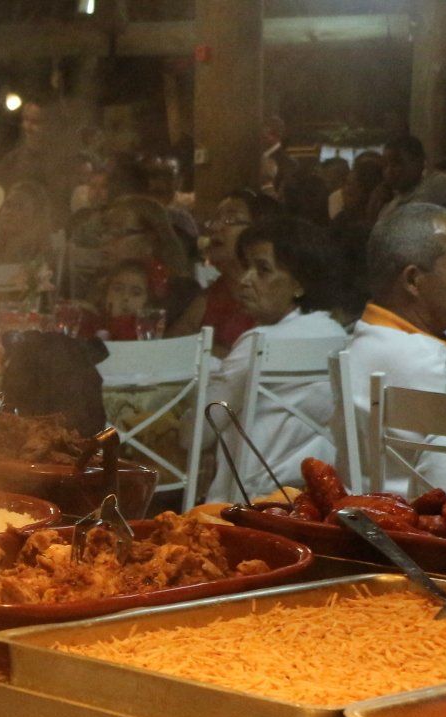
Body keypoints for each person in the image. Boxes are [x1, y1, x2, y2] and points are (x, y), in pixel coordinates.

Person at [204, 218, 350, 501]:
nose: (245, 279)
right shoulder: (336, 334)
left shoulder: (258, 342)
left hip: (248, 501)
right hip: (316, 497)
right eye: (246, 266)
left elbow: (197, 435)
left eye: (263, 269)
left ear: (298, 283)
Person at [340, 204, 446, 492]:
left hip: (365, 512)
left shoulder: (371, 335)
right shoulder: (428, 362)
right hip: (423, 517)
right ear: (413, 280)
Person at [172, 190, 264, 352]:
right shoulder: (213, 295)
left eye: (230, 219)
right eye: (214, 220)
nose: (214, 227)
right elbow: (171, 346)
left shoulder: (271, 298)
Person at [94, 194, 198, 325]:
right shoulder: (102, 281)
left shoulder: (178, 292)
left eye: (117, 233)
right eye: (105, 232)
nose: (105, 240)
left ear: (151, 239)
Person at [377, 135, 446, 223]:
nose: (389, 171)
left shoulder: (438, 184)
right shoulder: (389, 208)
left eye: (396, 163)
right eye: (385, 165)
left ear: (419, 162)